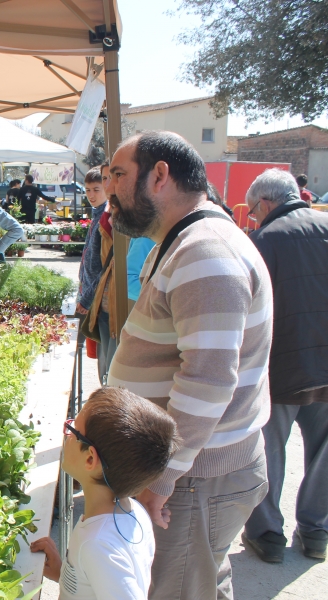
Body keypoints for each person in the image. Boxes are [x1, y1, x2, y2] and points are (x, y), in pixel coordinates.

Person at [105, 131, 272, 600]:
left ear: (160, 175)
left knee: (178, 591)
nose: (109, 188)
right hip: (194, 472)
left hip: (196, 478)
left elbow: (209, 380)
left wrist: (161, 477)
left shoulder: (205, 250)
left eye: (118, 174)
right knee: (200, 584)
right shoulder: (183, 241)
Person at [241, 169, 328, 563]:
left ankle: (267, 534)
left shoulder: (262, 241)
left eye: (254, 211)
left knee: (267, 450)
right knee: (325, 453)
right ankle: (315, 532)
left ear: (267, 203)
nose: (253, 218)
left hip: (281, 368)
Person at [31, 387, 180, 600]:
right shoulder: (132, 512)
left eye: (73, 430)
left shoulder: (98, 545)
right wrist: (64, 574)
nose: (67, 433)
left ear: (90, 459)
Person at [75, 167, 113, 383]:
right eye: (88, 189)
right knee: (99, 352)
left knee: (104, 356)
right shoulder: (97, 214)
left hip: (97, 297)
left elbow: (103, 267)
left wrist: (87, 297)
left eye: (96, 189)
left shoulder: (105, 216)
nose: (91, 195)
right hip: (90, 292)